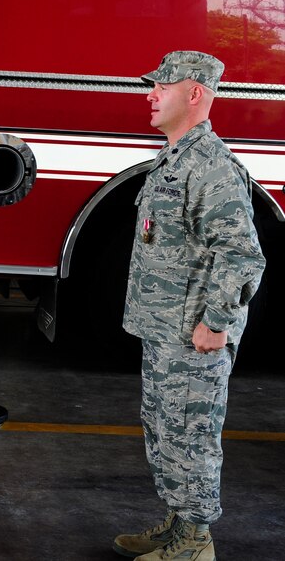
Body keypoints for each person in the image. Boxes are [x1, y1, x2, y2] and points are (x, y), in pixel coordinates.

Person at [114, 51, 266, 560]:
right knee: (166, 431)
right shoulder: (176, 158)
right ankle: (179, 526)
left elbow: (243, 255)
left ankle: (195, 544)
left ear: (194, 93)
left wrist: (215, 322)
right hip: (165, 329)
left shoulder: (212, 166)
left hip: (192, 335)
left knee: (191, 436)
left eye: (161, 86)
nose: (150, 95)